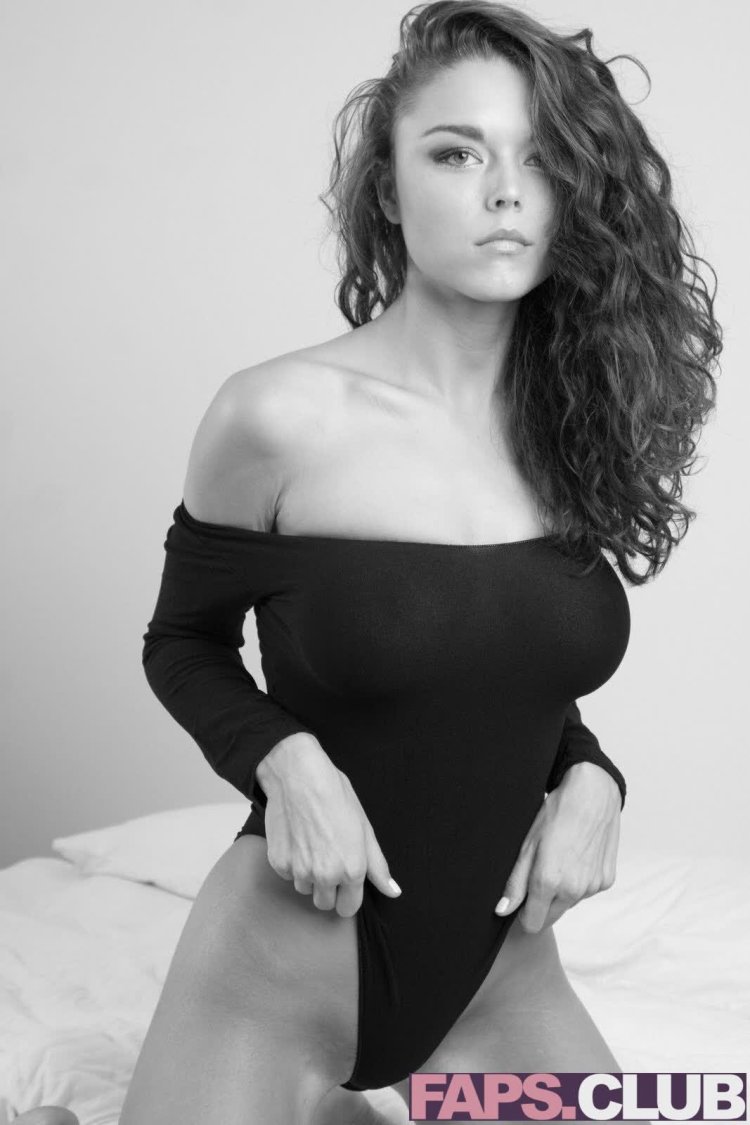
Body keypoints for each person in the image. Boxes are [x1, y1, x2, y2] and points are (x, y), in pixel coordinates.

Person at [22, 2, 720, 1123]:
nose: (506, 192)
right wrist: (284, 761)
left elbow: (497, 660)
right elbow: (182, 642)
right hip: (275, 982)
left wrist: (594, 774)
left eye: (541, 159)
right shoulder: (277, 415)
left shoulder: (570, 426)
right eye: (456, 153)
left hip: (495, 986)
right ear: (389, 190)